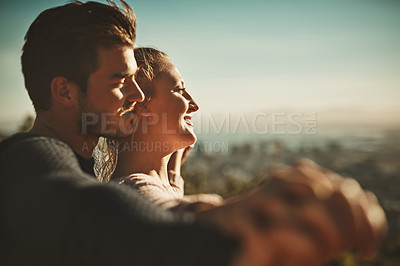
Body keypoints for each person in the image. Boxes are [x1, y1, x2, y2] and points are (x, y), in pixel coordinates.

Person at [0, 1, 387, 266]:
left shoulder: (76, 164)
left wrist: (173, 178)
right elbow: (89, 213)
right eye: (120, 81)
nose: (135, 96)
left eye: (136, 81)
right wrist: (210, 225)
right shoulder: (29, 159)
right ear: (65, 91)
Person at [107, 47, 223, 212]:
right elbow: (168, 210)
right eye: (180, 90)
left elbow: (168, 196)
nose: (195, 106)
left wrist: (172, 172)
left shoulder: (150, 186)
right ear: (141, 103)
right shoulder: (134, 191)